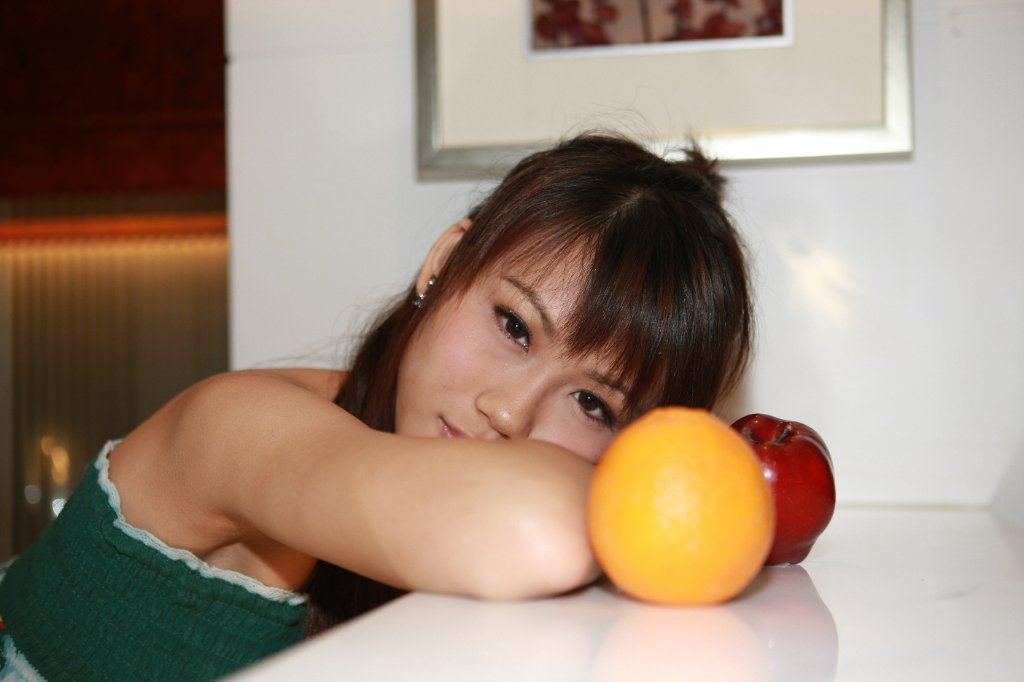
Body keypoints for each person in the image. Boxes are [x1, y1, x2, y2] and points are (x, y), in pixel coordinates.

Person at [0, 133, 753, 680]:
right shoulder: (239, 425)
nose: (509, 412)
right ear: (445, 263)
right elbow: (534, 526)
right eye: (514, 325)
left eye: (591, 402)